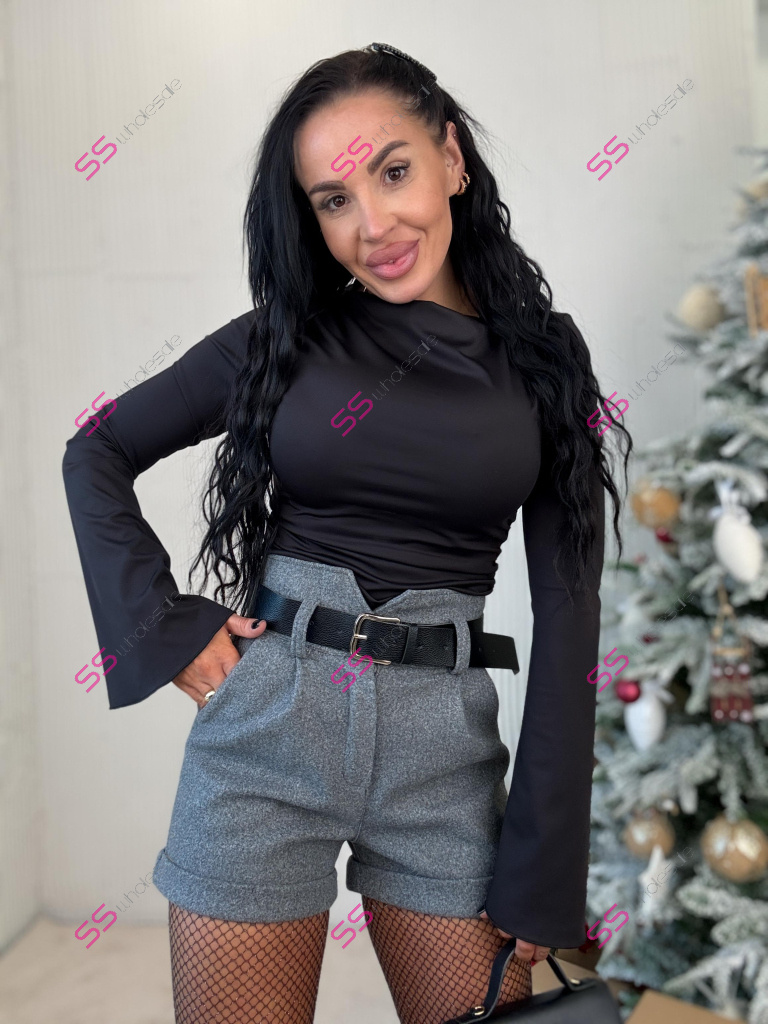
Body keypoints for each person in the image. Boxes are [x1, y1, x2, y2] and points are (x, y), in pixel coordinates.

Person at [62, 42, 631, 1024]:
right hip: (267, 735)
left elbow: (570, 611)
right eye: (334, 199)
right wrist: (164, 627)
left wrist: (545, 868)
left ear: (450, 157)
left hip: (444, 764)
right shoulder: (280, 339)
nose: (374, 225)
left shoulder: (548, 363)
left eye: (394, 171)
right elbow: (97, 450)